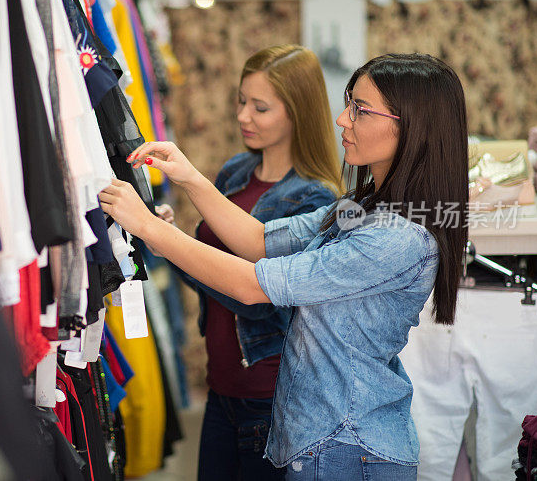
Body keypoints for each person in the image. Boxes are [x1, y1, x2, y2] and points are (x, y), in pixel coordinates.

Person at [100, 53, 468, 481]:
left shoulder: (396, 237)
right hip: (324, 437)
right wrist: (189, 177)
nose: (342, 120)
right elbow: (261, 241)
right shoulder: (360, 206)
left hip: (349, 447)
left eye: (360, 110)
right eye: (350, 104)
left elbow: (254, 285)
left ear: (412, 126)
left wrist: (148, 226)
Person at [157, 45, 343, 481]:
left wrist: (171, 243)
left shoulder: (316, 199)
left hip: (271, 398)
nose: (243, 116)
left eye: (260, 107)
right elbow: (211, 275)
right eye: (242, 101)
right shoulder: (236, 171)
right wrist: (169, 242)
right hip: (220, 389)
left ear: (297, 112)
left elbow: (260, 298)